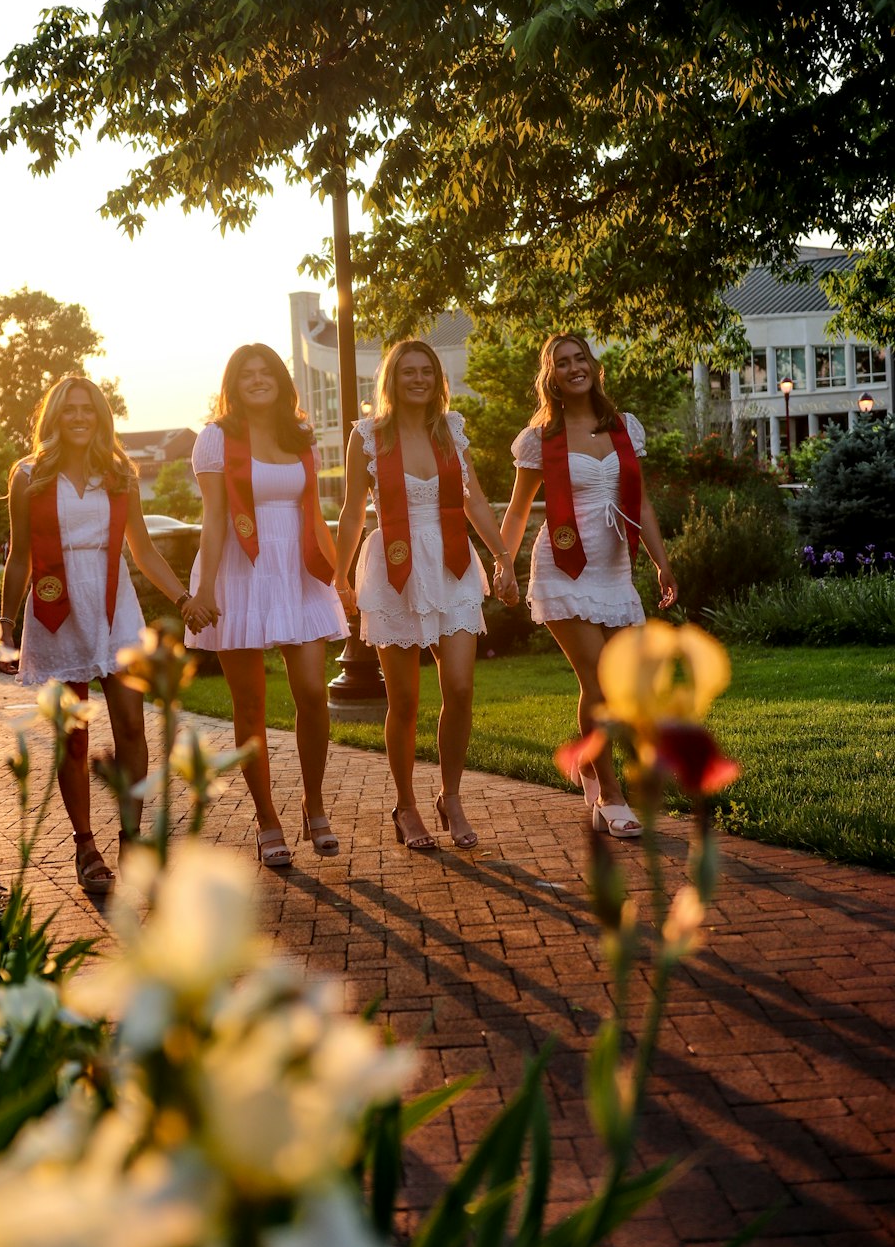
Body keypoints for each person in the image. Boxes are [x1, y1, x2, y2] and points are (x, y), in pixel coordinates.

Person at [0, 376, 205, 894]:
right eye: (68, 409)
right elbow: (19, 554)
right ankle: (85, 844)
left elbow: (143, 549)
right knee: (73, 737)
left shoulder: (120, 475)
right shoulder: (28, 476)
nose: (78, 417)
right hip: (56, 607)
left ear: (100, 416)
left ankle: (132, 836)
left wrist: (183, 598)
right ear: (53, 416)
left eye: (87, 409)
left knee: (133, 728)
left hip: (115, 607)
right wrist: (4, 625)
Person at [333, 340, 519, 852]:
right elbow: (352, 510)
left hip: (451, 562)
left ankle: (450, 795)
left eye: (426, 371)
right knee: (406, 700)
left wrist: (503, 557)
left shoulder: (450, 432)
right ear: (391, 380)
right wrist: (340, 576)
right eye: (407, 371)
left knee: (459, 688)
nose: (417, 379)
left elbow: (474, 499)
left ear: (437, 379)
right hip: (394, 565)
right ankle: (406, 804)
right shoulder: (368, 437)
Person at [499, 333, 678, 838]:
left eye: (580, 358)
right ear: (550, 376)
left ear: (594, 366)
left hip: (614, 570)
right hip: (562, 567)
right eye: (562, 362)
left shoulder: (624, 428)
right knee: (597, 680)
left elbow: (639, 503)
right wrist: (503, 563)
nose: (574, 367)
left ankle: (589, 766)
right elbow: (516, 511)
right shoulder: (540, 438)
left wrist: (662, 564)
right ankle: (610, 796)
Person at [183, 345, 349, 868]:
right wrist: (205, 587)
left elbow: (314, 514)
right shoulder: (215, 439)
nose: (258, 381)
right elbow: (213, 518)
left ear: (281, 381)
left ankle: (314, 803)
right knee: (250, 704)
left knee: (311, 695)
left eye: (266, 373)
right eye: (246, 375)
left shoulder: (299, 437)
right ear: (233, 385)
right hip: (239, 570)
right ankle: (266, 818)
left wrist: (337, 574)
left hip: (297, 571)